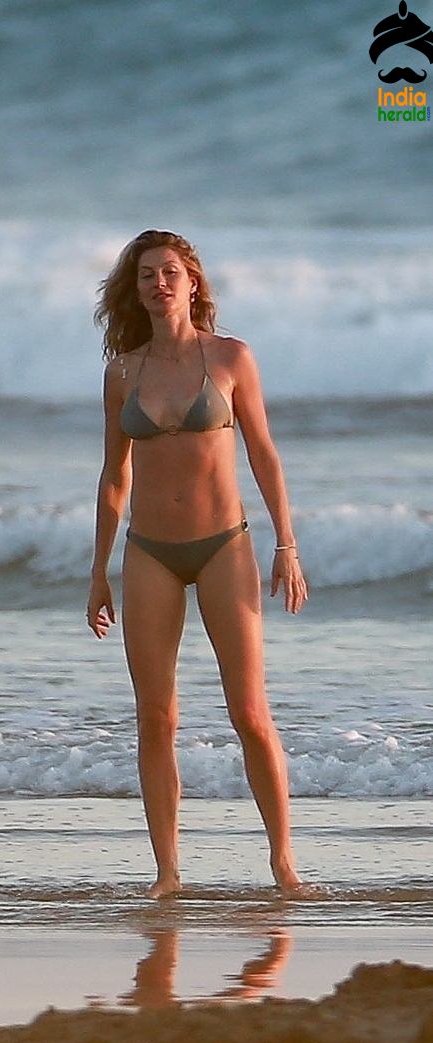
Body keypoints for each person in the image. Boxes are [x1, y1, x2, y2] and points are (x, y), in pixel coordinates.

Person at [86, 230, 310, 899]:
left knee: (249, 712)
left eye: (171, 272)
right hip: (149, 551)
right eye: (147, 274)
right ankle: (167, 873)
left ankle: (283, 864)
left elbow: (265, 454)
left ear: (194, 283)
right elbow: (113, 476)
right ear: (135, 289)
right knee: (157, 716)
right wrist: (98, 569)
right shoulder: (122, 372)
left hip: (224, 546)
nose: (159, 283)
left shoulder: (231, 357)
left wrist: (287, 544)